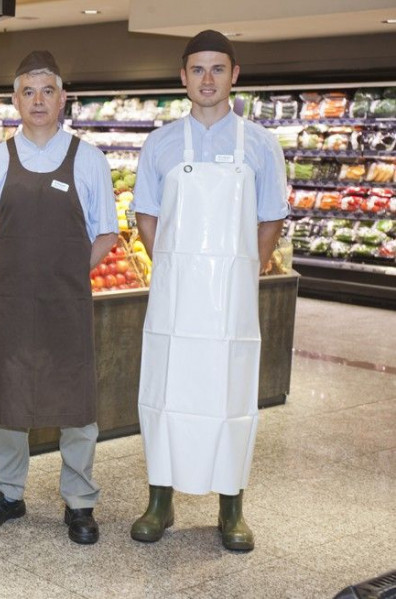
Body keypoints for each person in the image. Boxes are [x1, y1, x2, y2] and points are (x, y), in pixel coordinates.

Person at [129, 30, 288, 552]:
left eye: (217, 69)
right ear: (183, 76)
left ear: (234, 75)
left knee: (230, 394)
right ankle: (160, 500)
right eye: (197, 69)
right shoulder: (162, 143)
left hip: (233, 301)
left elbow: (271, 220)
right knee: (166, 391)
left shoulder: (262, 145)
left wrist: (246, 269)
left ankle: (231, 507)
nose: (207, 79)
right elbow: (147, 216)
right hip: (176, 297)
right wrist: (177, 268)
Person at [0, 51, 118, 545]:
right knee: (9, 399)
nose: (37, 101)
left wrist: (64, 276)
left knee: (76, 403)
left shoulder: (88, 159)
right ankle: (7, 492)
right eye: (27, 92)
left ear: (62, 98)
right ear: (14, 99)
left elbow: (106, 237)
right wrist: (15, 277)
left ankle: (80, 501)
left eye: (47, 91)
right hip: (10, 303)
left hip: (67, 303)